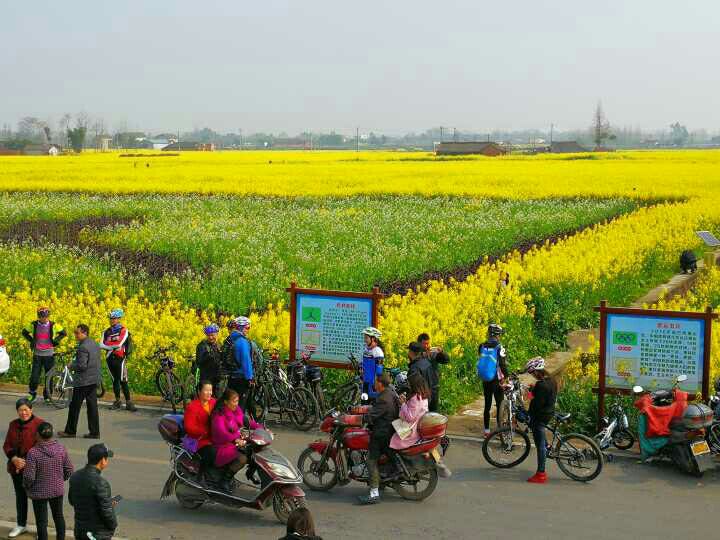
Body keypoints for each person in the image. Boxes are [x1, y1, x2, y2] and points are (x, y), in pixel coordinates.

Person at [22, 422, 74, 540]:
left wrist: (26, 486)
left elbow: (29, 477)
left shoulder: (33, 453)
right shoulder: (61, 449)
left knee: (41, 521)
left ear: (37, 435)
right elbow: (69, 469)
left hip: (39, 493)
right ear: (52, 434)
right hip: (57, 490)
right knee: (59, 517)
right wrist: (60, 479)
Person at [3, 398, 44, 538]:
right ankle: (21, 524)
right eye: (20, 410)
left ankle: (41, 530)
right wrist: (14, 459)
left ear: (31, 410)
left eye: (26, 409)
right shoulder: (13, 424)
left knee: (38, 500)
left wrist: (26, 461)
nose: (23, 412)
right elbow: (7, 445)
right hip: (16, 468)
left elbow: (42, 446)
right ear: (17, 411)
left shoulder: (40, 424)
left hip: (33, 469)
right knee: (20, 497)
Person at [358, 372, 399, 505]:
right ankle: (381, 482)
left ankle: (374, 493)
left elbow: (372, 416)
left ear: (380, 384)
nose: (374, 384)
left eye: (376, 382)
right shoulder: (390, 392)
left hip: (382, 433)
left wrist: (357, 419)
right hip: (390, 429)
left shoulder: (383, 399)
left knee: (371, 460)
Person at [211, 388, 262, 493]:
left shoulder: (236, 411)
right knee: (242, 459)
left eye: (237, 401)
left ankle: (250, 473)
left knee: (256, 451)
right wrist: (236, 439)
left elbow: (246, 421)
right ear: (226, 402)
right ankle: (224, 481)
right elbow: (221, 433)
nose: (236, 404)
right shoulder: (219, 415)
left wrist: (261, 428)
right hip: (222, 445)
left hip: (234, 442)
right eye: (234, 401)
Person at [58, 325, 101, 440]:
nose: (75, 335)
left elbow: (82, 366)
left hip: (83, 381)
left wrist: (71, 365)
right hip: (93, 379)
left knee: (74, 406)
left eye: (77, 333)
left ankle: (70, 431)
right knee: (92, 407)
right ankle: (95, 432)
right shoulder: (94, 344)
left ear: (85, 333)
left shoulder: (83, 347)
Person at [68, 443, 118, 540]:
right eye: (107, 458)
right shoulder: (101, 483)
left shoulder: (75, 477)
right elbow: (107, 513)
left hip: (80, 530)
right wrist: (113, 525)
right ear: (103, 460)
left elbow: (72, 500)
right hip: (96, 534)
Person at [23, 306, 66, 402]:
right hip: (37, 354)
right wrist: (32, 340)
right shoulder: (34, 325)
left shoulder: (53, 325)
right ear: (38, 316)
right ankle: (32, 394)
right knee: (34, 376)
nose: (44, 319)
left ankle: (47, 396)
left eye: (46, 317)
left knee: (49, 376)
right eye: (42, 317)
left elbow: (63, 333)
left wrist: (56, 340)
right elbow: (24, 332)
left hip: (49, 354)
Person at [525, 357, 557, 484]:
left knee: (539, 446)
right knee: (542, 439)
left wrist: (529, 395)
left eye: (532, 373)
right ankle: (547, 444)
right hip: (549, 413)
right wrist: (534, 389)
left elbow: (535, 405)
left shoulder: (541, 385)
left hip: (541, 416)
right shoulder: (551, 380)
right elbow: (543, 395)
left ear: (537, 371)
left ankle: (541, 474)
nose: (532, 375)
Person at [100, 308, 137, 412]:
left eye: (114, 318)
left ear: (119, 319)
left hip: (120, 358)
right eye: (110, 318)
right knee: (114, 381)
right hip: (109, 358)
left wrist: (109, 345)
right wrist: (113, 346)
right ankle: (117, 401)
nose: (111, 320)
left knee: (123, 380)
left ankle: (129, 402)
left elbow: (119, 344)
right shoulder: (106, 331)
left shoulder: (124, 330)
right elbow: (100, 344)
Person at [477, 323, 509, 437]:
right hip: (496, 380)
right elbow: (502, 365)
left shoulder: (482, 346)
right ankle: (500, 431)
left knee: (487, 405)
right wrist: (507, 376)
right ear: (497, 335)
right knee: (500, 404)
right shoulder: (499, 347)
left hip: (486, 379)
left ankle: (486, 431)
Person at [183, 381, 217, 476]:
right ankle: (201, 475)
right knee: (212, 452)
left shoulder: (214, 402)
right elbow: (189, 427)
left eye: (210, 390)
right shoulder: (192, 407)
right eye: (206, 390)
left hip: (213, 437)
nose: (209, 393)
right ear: (199, 391)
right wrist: (205, 431)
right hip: (199, 440)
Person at [390, 372, 430, 451]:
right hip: (416, 426)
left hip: (410, 430)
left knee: (388, 432)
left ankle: (395, 460)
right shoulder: (423, 396)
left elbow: (410, 417)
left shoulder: (416, 398)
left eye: (409, 384)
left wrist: (403, 404)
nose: (408, 386)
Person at [229, 316, 255, 413]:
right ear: (240, 327)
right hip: (241, 376)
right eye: (247, 327)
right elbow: (246, 361)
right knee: (240, 404)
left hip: (232, 375)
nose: (248, 330)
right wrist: (250, 377)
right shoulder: (242, 342)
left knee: (231, 403)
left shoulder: (231, 339)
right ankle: (237, 426)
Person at [417, 333, 449, 412]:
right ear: (419, 343)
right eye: (425, 344)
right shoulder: (416, 354)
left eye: (428, 343)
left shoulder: (433, 353)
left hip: (434, 387)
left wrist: (441, 352)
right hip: (422, 389)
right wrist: (423, 356)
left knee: (434, 413)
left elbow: (446, 360)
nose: (427, 346)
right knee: (423, 412)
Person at [195, 324, 222, 396]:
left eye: (212, 335)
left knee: (216, 398)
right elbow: (199, 361)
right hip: (206, 377)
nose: (210, 337)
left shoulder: (219, 345)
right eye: (208, 335)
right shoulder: (202, 346)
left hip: (217, 377)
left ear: (217, 334)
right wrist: (208, 356)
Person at [361, 327, 384, 399]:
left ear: (373, 338)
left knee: (372, 402)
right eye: (364, 337)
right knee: (364, 400)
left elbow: (379, 368)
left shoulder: (377, 351)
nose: (365, 340)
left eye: (366, 338)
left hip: (373, 382)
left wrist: (376, 381)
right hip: (365, 380)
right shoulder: (366, 349)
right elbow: (364, 362)